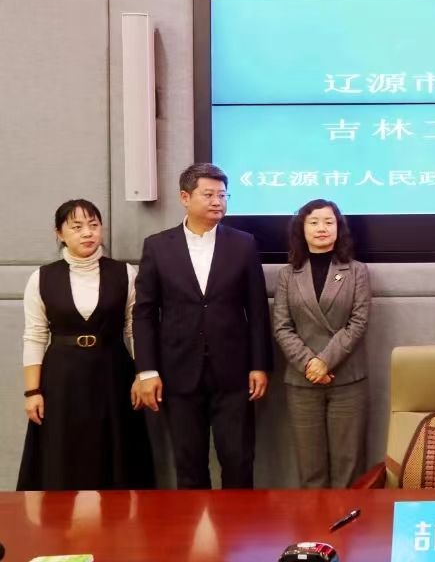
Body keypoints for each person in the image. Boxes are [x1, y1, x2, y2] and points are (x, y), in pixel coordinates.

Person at [133, 163, 272, 489]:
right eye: (208, 195)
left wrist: (259, 364)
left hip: (234, 373)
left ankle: (236, 523)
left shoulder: (243, 244)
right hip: (178, 372)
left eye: (223, 196)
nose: (217, 202)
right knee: (189, 465)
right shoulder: (157, 246)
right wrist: (147, 371)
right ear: (185, 197)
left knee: (238, 461)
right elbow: (144, 313)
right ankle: (194, 525)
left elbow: (256, 309)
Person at [17, 200, 154, 490]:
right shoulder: (42, 277)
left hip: (113, 371)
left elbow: (135, 328)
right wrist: (32, 392)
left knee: (116, 451)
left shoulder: (125, 273)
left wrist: (141, 374)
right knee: (63, 450)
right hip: (61, 377)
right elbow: (35, 336)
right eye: (76, 227)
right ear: (59, 233)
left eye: (93, 225)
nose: (87, 233)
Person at [272, 199, 371, 488]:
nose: (322, 228)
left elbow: (358, 322)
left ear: (339, 228)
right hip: (303, 380)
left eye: (329, 222)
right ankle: (314, 519)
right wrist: (310, 364)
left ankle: (349, 518)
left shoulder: (357, 271)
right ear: (301, 229)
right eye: (314, 222)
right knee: (310, 468)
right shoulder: (288, 274)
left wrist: (325, 361)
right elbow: (282, 326)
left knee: (348, 466)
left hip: (348, 379)